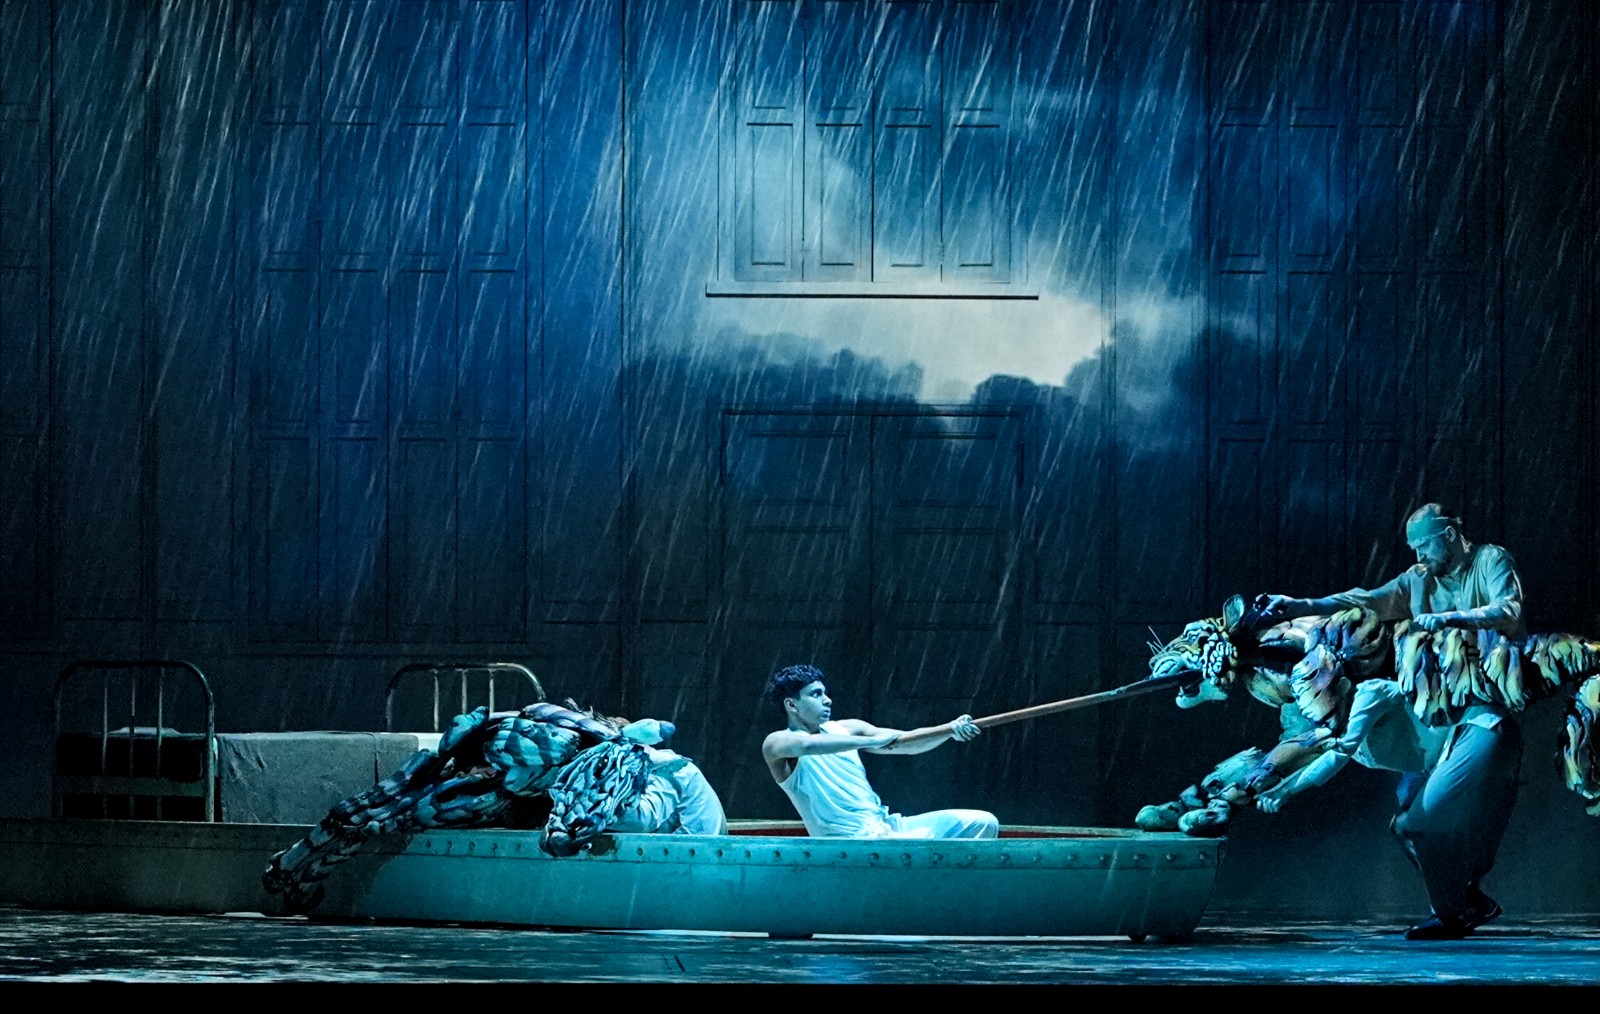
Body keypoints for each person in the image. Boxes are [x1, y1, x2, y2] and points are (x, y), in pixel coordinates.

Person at [1259, 503, 1524, 940]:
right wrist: (1299, 605)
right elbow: (1363, 600)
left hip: (1481, 720)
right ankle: (1466, 899)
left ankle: (1450, 913)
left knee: (1421, 823)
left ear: (1450, 535)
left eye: (1425, 545)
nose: (1418, 556)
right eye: (1413, 548)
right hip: (1438, 727)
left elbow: (1508, 610)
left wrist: (1449, 619)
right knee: (1407, 827)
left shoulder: (1489, 560)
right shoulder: (1417, 580)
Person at [761, 664, 1000, 839]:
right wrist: (872, 742)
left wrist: (949, 730)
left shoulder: (848, 728)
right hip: (849, 842)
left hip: (886, 828)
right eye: (816, 694)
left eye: (825, 692)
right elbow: (806, 746)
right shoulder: (776, 742)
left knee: (983, 822)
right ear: (791, 705)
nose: (828, 700)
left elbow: (907, 742)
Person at [607, 746, 729, 836]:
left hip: (699, 854)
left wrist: (602, 810)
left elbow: (643, 820)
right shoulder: (638, 771)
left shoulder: (672, 767)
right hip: (681, 852)